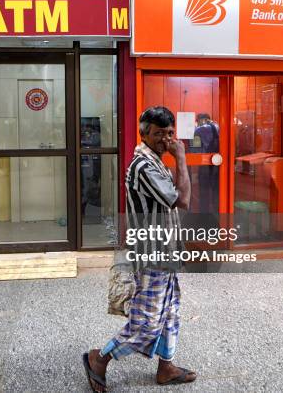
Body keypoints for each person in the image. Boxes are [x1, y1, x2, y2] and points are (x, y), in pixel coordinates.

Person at [83, 106, 196, 392]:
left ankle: (166, 366)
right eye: (159, 134)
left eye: (170, 133)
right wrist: (182, 158)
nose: (166, 140)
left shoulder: (155, 160)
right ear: (144, 133)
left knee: (171, 311)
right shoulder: (144, 166)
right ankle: (100, 359)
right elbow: (182, 201)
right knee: (146, 321)